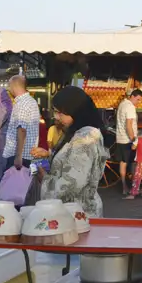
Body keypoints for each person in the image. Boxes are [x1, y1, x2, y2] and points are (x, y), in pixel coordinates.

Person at [31, 86, 108, 217]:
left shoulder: (86, 138)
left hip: (77, 214)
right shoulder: (78, 132)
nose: (56, 117)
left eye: (60, 113)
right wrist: (49, 155)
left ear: (75, 111)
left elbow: (72, 183)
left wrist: (44, 179)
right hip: (73, 210)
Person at [3, 75, 40, 174]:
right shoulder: (31, 101)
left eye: (9, 86)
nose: (9, 89)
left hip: (19, 156)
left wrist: (18, 156)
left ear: (13, 86)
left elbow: (21, 130)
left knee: (12, 182)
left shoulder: (22, 104)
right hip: (28, 155)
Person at [116, 89, 142, 195]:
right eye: (138, 99)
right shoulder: (130, 107)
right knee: (133, 164)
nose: (138, 102)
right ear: (132, 96)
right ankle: (134, 188)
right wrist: (134, 140)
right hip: (128, 140)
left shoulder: (122, 104)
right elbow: (129, 125)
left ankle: (124, 186)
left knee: (123, 163)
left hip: (120, 138)